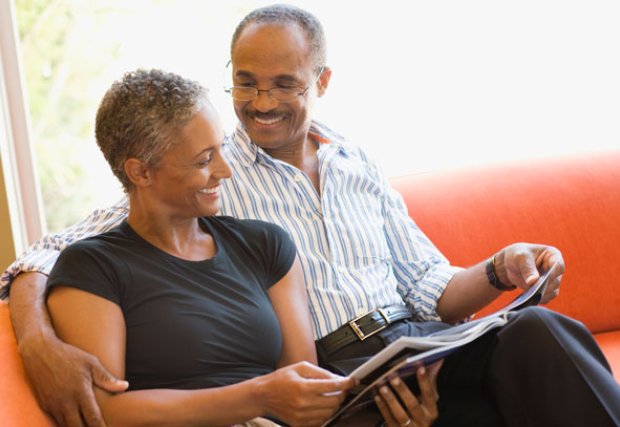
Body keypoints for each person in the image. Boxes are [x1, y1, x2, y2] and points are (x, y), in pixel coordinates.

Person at [2, 3, 619, 426]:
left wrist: (501, 268)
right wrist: (34, 339)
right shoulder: (209, 174)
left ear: (320, 80)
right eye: (245, 83)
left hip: (418, 343)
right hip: (336, 373)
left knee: (542, 332)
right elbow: (50, 250)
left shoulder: (355, 161)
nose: (260, 103)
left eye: (282, 84)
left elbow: (434, 289)